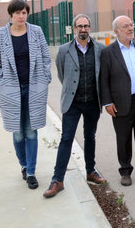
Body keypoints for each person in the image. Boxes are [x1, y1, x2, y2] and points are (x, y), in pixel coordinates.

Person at [0, 0, 51, 190]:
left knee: (31, 131)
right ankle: (23, 165)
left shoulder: (36, 31)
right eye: (17, 13)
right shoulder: (0, 34)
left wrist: (45, 78)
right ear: (11, 15)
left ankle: (31, 172)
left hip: (34, 88)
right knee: (17, 133)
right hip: (10, 90)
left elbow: (45, 57)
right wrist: (0, 82)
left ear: (27, 14)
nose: (21, 16)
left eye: (24, 12)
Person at [43, 14, 107, 198]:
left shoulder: (100, 49)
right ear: (74, 28)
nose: (83, 29)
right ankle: (58, 180)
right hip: (72, 103)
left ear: (90, 28)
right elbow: (62, 76)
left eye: (86, 26)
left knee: (90, 137)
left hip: (93, 102)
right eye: (79, 26)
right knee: (66, 139)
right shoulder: (64, 50)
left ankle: (90, 171)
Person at [100, 15, 135, 187]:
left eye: (131, 25)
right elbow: (104, 80)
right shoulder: (108, 52)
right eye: (125, 26)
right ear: (116, 31)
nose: (130, 28)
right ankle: (125, 171)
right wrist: (107, 102)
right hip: (121, 103)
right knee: (123, 140)